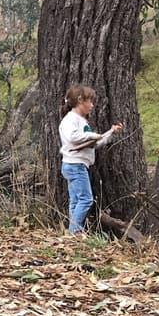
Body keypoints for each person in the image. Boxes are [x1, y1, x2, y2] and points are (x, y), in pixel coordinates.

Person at [59, 84, 122, 234]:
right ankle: (74, 231)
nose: (92, 105)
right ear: (80, 100)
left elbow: (93, 143)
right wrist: (92, 135)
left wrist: (110, 133)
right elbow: (73, 138)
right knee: (86, 199)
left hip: (77, 165)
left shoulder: (81, 121)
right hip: (75, 165)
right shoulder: (70, 120)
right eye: (90, 101)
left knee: (76, 200)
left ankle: (73, 231)